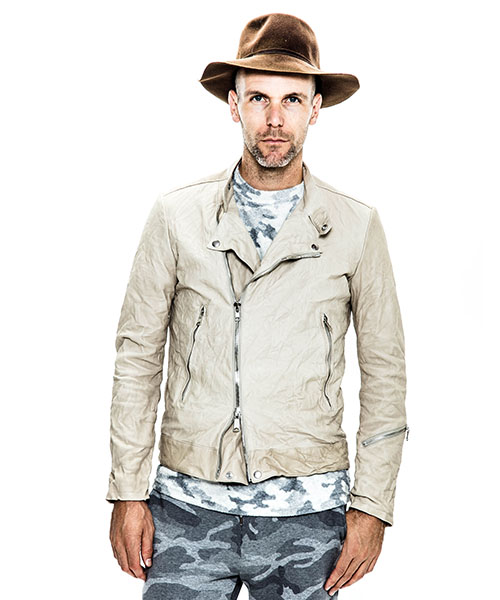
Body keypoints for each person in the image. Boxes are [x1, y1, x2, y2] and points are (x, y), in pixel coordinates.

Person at [107, 12, 408, 600]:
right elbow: (137, 358)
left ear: (315, 108)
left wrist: (373, 504)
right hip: (187, 510)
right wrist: (127, 490)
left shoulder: (355, 227)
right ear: (234, 104)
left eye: (292, 99)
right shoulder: (176, 217)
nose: (275, 119)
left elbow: (385, 374)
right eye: (259, 98)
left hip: (309, 516)